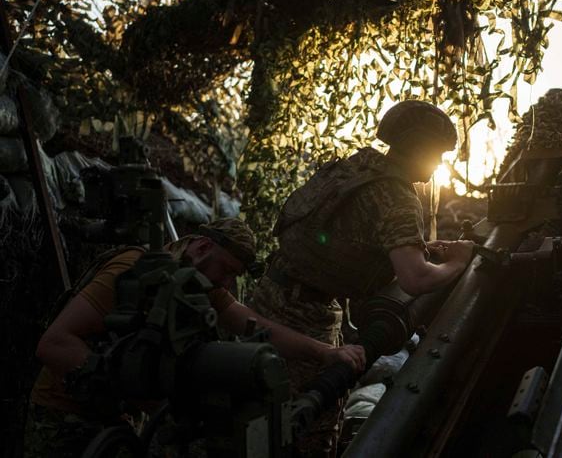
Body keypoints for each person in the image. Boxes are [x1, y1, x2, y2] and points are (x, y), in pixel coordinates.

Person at [24, 217, 365, 457]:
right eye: (228, 269)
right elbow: (53, 344)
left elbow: (253, 324)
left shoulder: (199, 283)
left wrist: (324, 352)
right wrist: (139, 393)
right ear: (202, 247)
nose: (228, 283)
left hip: (117, 418)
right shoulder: (132, 271)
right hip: (64, 416)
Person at [253, 100, 475, 457]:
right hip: (306, 317)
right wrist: (459, 262)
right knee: (307, 427)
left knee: (256, 411)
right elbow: (415, 279)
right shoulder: (398, 195)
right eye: (437, 153)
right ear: (418, 147)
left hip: (270, 294)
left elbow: (349, 233)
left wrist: (415, 246)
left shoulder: (357, 167)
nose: (439, 163)